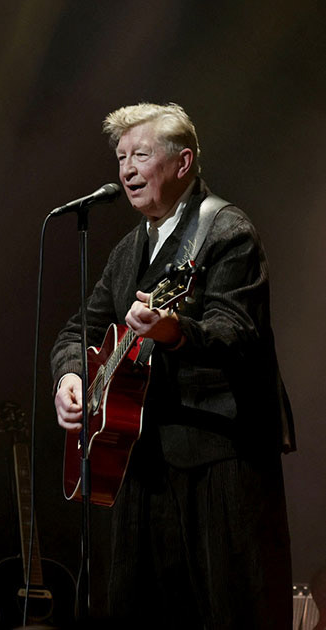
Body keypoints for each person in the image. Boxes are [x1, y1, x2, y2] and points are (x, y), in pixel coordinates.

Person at [51, 103, 294, 628]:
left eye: (140, 155)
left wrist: (175, 330)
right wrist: (70, 376)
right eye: (121, 158)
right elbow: (78, 331)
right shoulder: (127, 251)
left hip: (219, 456)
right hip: (141, 459)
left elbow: (238, 332)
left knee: (231, 609)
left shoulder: (226, 231)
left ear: (183, 163)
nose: (127, 170)